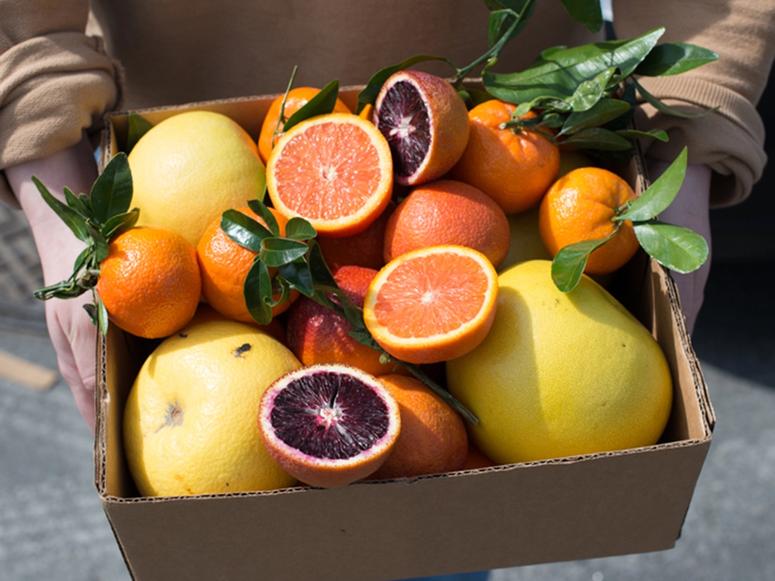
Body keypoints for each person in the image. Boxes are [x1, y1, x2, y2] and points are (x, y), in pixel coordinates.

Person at [1, 1, 772, 429]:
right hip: (173, 162)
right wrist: (51, 176)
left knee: (442, 517)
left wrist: (686, 150)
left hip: (520, 136)